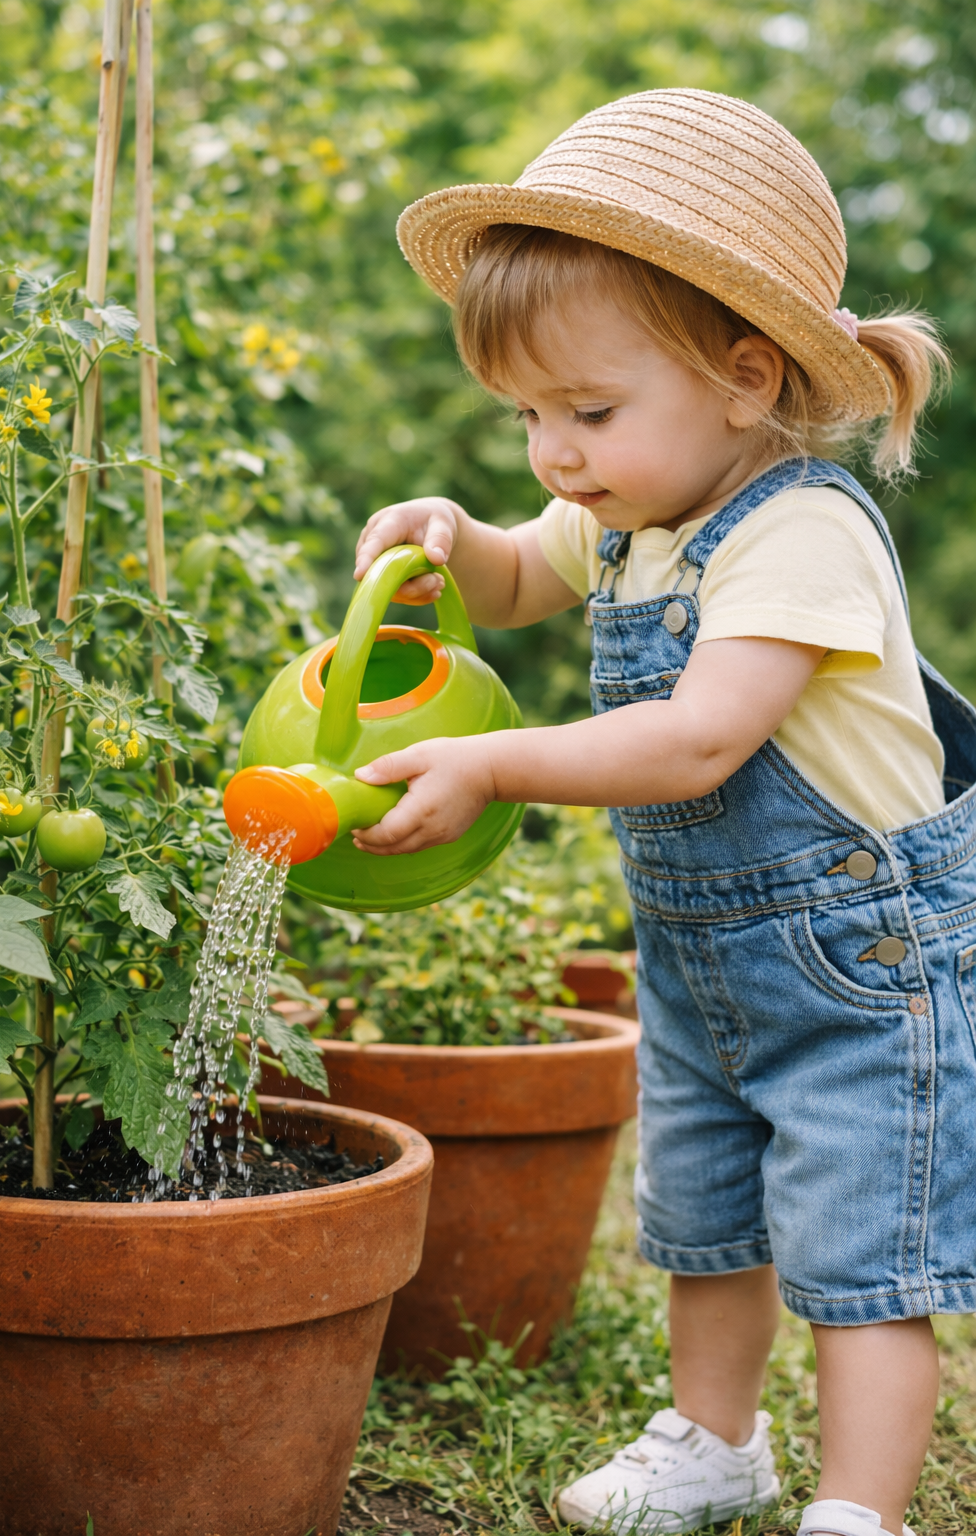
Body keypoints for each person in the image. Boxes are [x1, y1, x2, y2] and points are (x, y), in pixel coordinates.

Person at [350, 89, 973, 1536]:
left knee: (862, 1254)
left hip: (861, 975)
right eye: (524, 417)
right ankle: (714, 1438)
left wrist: (497, 764)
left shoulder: (802, 529)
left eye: (587, 412)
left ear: (746, 377)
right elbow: (516, 575)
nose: (552, 455)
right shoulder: (630, 509)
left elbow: (697, 741)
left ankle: (860, 1511)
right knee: (705, 1214)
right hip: (708, 968)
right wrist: (450, 543)